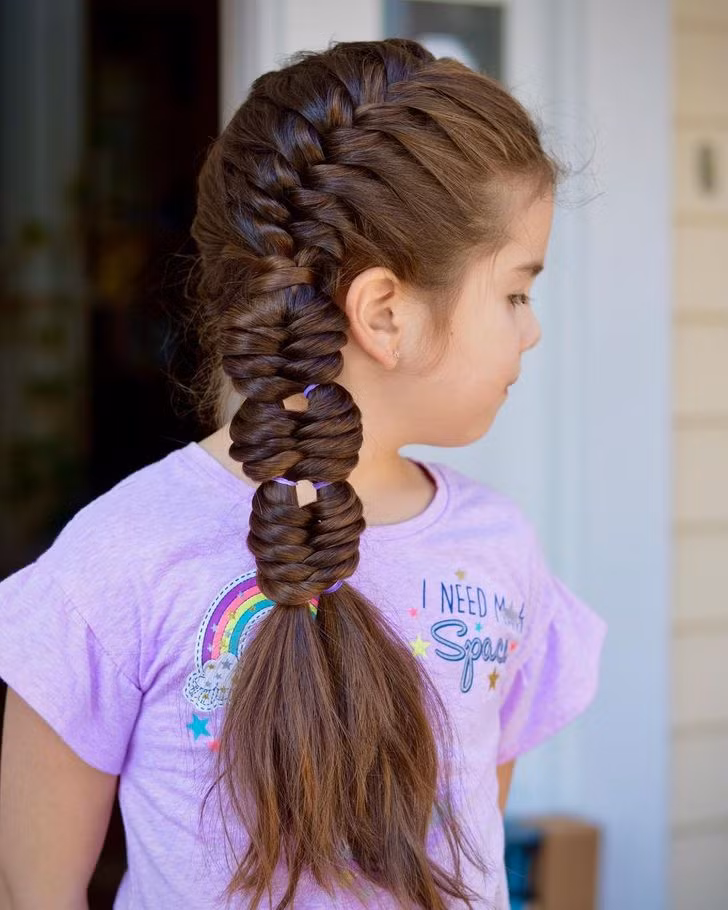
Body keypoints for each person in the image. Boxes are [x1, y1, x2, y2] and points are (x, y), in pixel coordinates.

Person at [0, 38, 606, 910]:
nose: (531, 329)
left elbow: (470, 843)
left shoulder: (497, 552)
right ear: (385, 313)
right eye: (515, 292)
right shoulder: (117, 560)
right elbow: (37, 890)